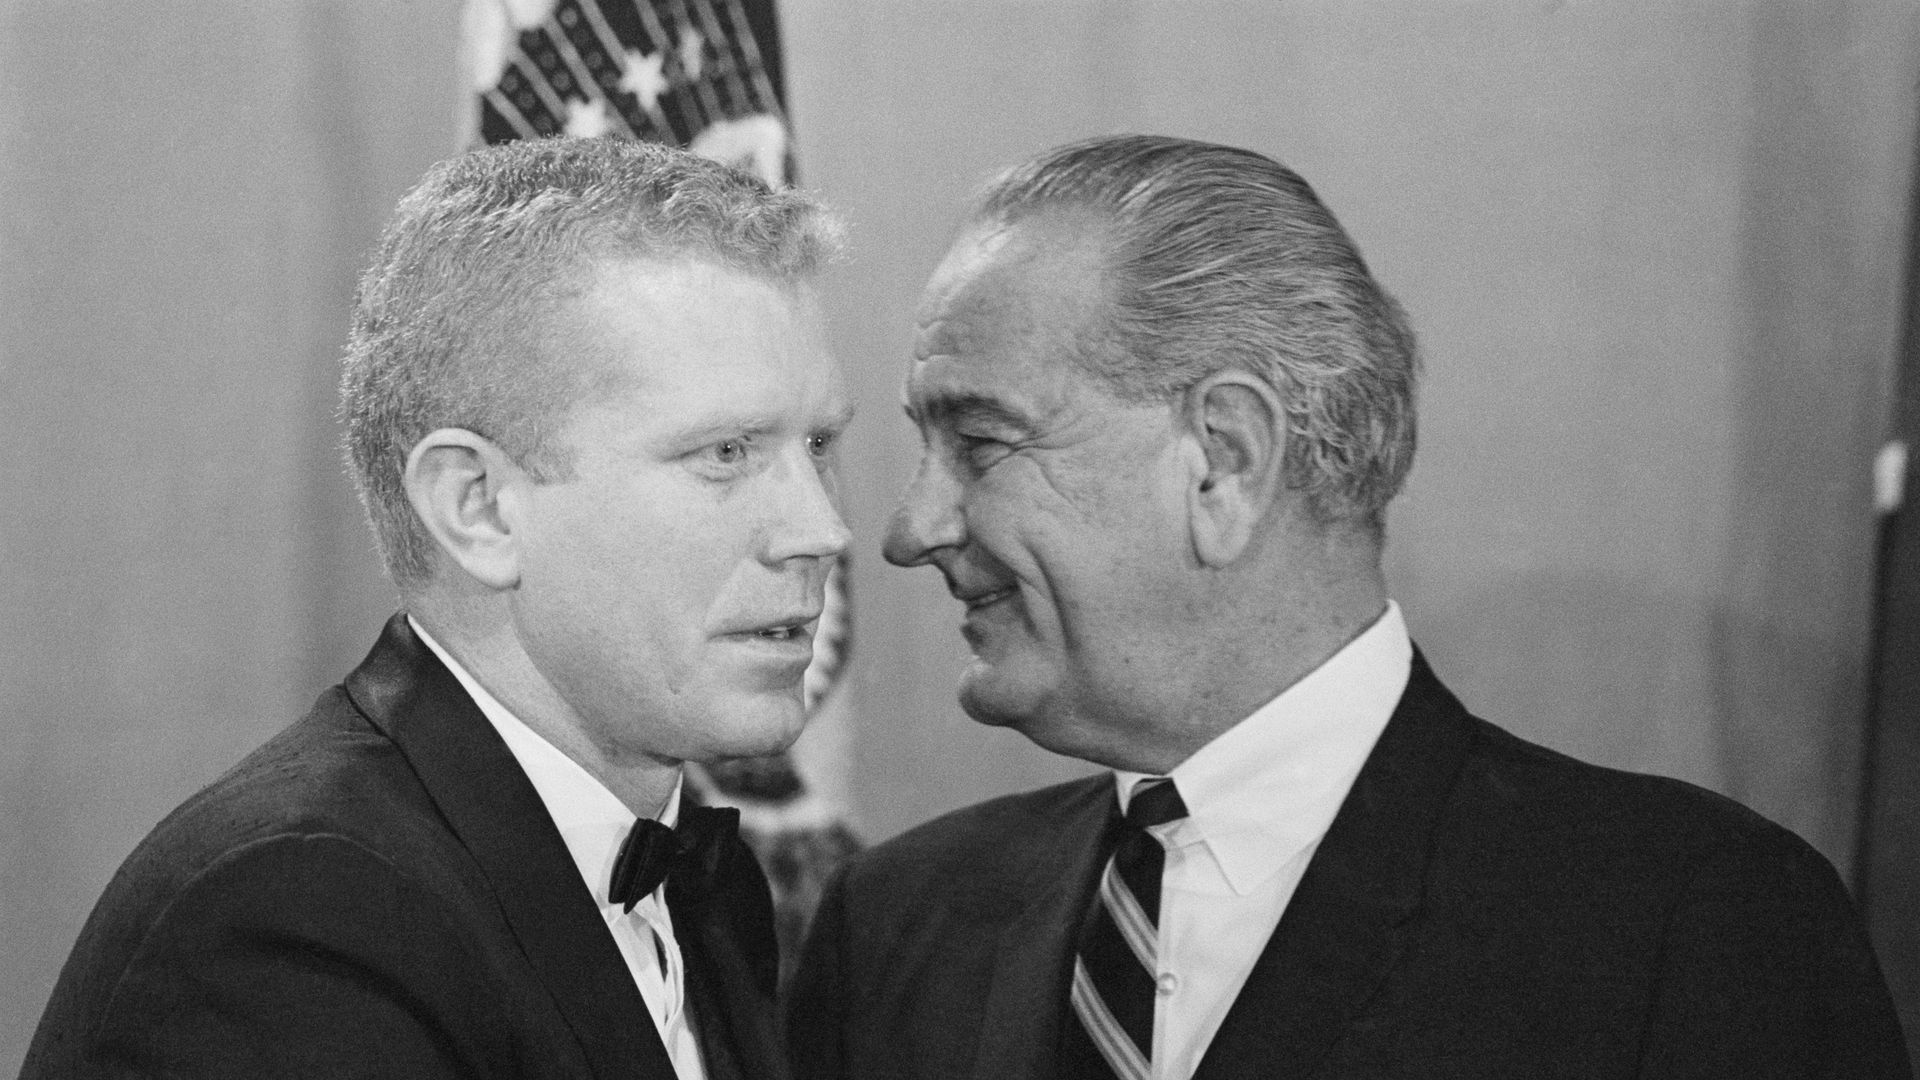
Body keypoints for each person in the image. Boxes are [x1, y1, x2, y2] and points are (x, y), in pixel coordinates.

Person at [786, 135, 1910, 1079]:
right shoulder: (898, 926)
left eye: (980, 444)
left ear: (1224, 460)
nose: (906, 528)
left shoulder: (1688, 927)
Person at [24, 136, 850, 1079]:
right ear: (479, 508)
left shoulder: (709, 890)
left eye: (818, 443)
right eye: (727, 453)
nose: (821, 529)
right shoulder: (302, 916)